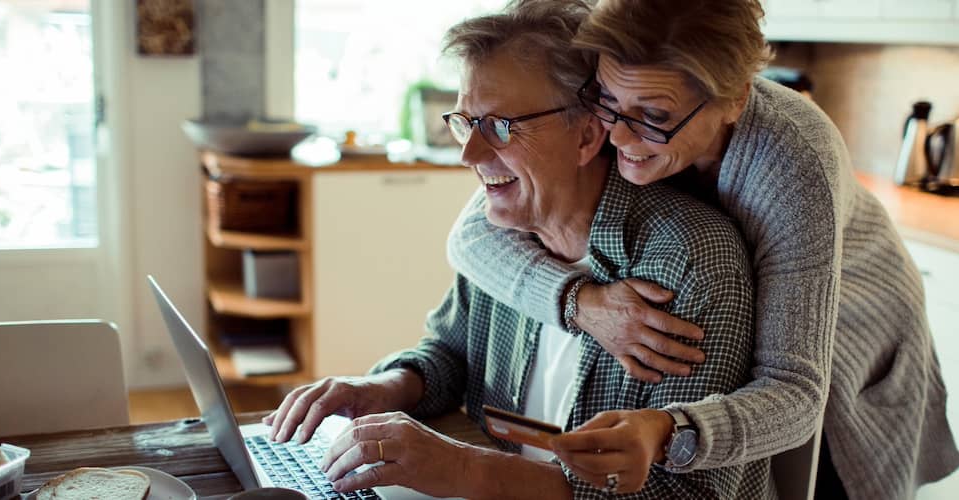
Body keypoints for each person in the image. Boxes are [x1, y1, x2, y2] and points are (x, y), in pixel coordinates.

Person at [445, 0, 959, 498]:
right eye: (606, 101)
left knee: (823, 478)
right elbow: (471, 236)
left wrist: (671, 428)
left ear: (735, 98)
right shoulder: (620, 104)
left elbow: (799, 393)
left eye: (652, 116)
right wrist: (583, 304)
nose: (618, 137)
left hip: (853, 327)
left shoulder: (793, 163)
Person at [264, 1, 773, 497]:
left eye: (501, 125)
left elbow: (687, 492)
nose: (469, 153)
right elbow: (448, 355)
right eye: (466, 122)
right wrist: (380, 389)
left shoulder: (692, 262)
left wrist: (465, 470)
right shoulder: (502, 235)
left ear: (588, 134)